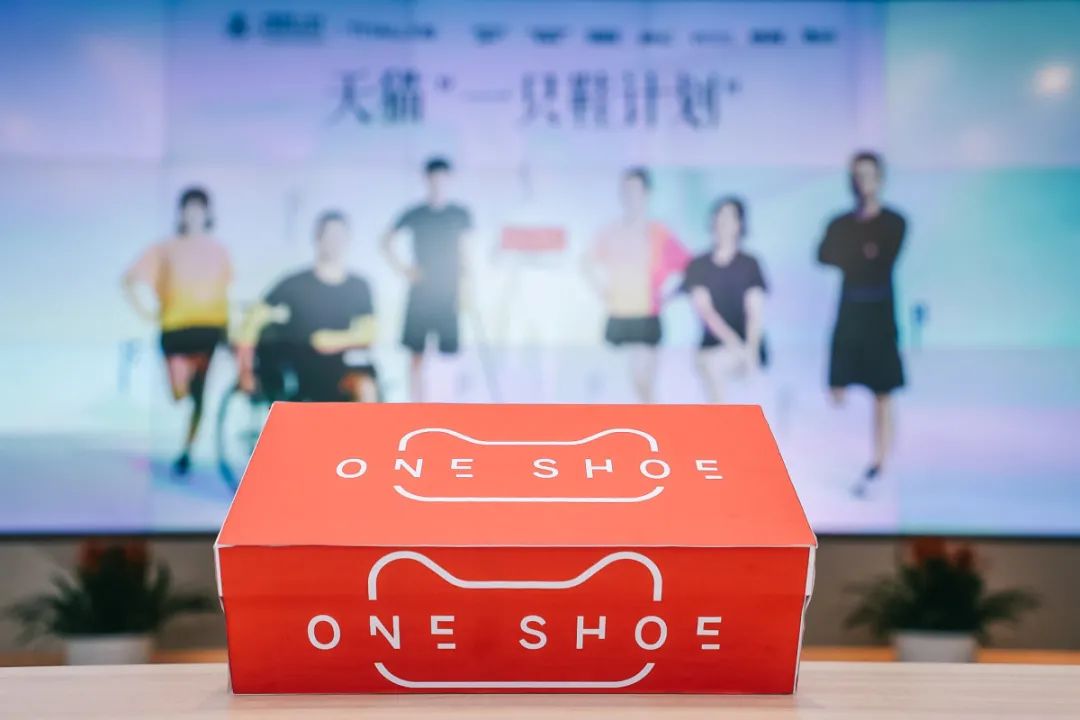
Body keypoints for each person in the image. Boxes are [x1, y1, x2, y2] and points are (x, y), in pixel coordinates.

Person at [122, 187, 232, 476]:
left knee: (200, 397)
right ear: (181, 213)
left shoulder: (218, 251)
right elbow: (130, 280)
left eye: (199, 210)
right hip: (175, 331)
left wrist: (229, 333)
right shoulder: (165, 249)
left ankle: (186, 452)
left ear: (207, 214)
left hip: (209, 330)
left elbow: (224, 293)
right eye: (189, 209)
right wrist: (147, 313)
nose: (194, 215)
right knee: (179, 392)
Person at [817, 151, 907, 496]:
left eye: (868, 175)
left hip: (880, 314)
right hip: (849, 311)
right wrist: (861, 254)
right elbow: (825, 254)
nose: (862, 182)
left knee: (883, 392)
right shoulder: (840, 224)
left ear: (880, 179)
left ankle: (880, 463)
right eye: (857, 175)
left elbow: (879, 260)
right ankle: (837, 469)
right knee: (837, 389)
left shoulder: (894, 223)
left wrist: (857, 255)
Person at [234, 211, 377, 403]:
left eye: (339, 236)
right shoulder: (294, 283)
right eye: (329, 235)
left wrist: (329, 341)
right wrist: (245, 371)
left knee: (366, 388)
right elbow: (251, 324)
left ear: (347, 240)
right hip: (299, 370)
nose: (334, 242)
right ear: (318, 237)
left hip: (342, 369)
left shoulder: (359, 286)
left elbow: (368, 333)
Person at [584, 167, 689, 403]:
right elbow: (587, 263)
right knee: (622, 386)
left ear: (647, 194)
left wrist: (669, 295)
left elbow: (690, 269)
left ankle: (652, 424)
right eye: (626, 190)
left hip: (646, 317)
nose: (630, 196)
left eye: (636, 190)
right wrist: (602, 291)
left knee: (643, 382)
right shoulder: (610, 231)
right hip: (618, 317)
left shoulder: (658, 233)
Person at [381, 157, 473, 402]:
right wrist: (404, 269)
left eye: (442, 178)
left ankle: (446, 403)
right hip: (421, 292)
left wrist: (465, 289)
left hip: (449, 292)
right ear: (426, 179)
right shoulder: (416, 213)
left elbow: (465, 253)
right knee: (416, 353)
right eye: (434, 178)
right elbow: (385, 241)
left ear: (449, 180)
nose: (438, 183)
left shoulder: (459, 214)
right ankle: (416, 406)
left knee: (448, 355)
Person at [684, 196, 768, 403]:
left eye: (730, 218)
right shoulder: (698, 265)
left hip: (749, 346)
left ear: (740, 224)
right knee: (714, 366)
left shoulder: (750, 264)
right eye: (719, 216)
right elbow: (706, 313)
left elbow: (755, 313)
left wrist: (750, 351)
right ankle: (722, 421)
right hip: (713, 346)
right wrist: (735, 346)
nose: (723, 222)